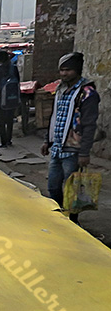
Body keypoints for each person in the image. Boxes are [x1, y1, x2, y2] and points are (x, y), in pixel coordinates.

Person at [40, 52, 100, 222]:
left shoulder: (87, 93)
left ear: (77, 70)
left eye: (68, 70)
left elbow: (89, 125)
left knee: (71, 189)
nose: (64, 74)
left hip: (74, 149)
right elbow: (55, 116)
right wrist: (47, 140)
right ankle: (61, 217)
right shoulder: (60, 89)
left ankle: (72, 220)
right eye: (62, 70)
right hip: (58, 147)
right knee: (53, 187)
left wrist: (84, 153)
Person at [0, 50, 21, 148]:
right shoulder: (14, 68)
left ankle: (3, 141)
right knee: (10, 119)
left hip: (1, 98)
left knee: (1, 121)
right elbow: (18, 81)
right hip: (12, 98)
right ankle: (9, 140)